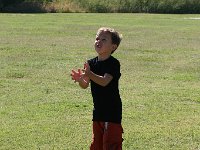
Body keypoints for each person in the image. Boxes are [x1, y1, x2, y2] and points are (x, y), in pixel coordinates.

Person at [71, 27, 123, 150]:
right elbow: (85, 85)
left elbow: (104, 81)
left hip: (111, 112)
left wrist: (89, 74)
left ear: (113, 47)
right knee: (97, 144)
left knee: (111, 144)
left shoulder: (113, 63)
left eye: (104, 39)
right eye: (97, 38)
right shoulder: (91, 63)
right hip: (98, 111)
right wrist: (80, 80)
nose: (98, 41)